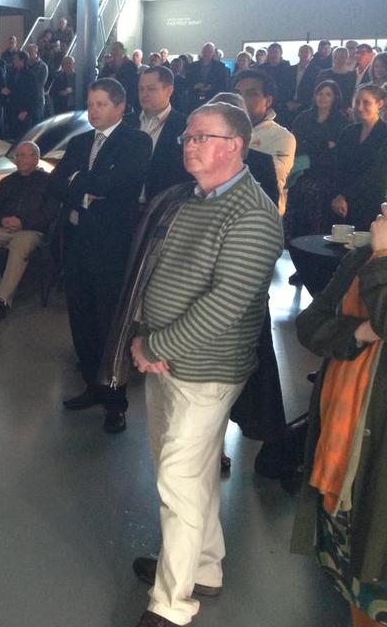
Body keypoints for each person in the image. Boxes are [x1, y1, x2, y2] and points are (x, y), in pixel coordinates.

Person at [110, 101, 282, 627]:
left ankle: (171, 605)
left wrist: (155, 345)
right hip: (167, 361)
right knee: (191, 473)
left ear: (235, 147)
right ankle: (204, 568)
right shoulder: (193, 197)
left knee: (178, 483)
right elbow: (156, 269)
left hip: (204, 368)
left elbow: (224, 307)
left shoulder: (252, 214)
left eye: (201, 137)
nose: (188, 144)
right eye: (187, 136)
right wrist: (144, 335)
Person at [293, 205, 387, 627]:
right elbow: (310, 324)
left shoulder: (376, 258)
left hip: (377, 466)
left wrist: (383, 259)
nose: (383, 208)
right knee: (352, 581)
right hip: (342, 449)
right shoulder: (358, 258)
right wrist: (358, 333)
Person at [51, 78, 151, 434]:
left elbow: (116, 184)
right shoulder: (79, 141)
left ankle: (115, 400)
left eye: (101, 105)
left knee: (111, 321)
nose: (93, 111)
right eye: (91, 104)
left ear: (121, 108)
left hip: (111, 246)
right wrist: (87, 185)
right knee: (81, 316)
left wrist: (79, 181)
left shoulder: (136, 142)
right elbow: (55, 184)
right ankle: (91, 385)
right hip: (77, 240)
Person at [0, 141, 56, 318]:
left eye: (25, 155)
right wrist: (2, 219)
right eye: (18, 155)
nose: (20, 159)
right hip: (4, 227)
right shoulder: (7, 182)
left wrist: (23, 222)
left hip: (32, 230)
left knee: (19, 246)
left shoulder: (48, 182)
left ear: (36, 158)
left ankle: (3, 301)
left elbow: (50, 213)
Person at [285, 81, 350, 238]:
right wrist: (323, 144)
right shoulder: (303, 117)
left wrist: (313, 145)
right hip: (301, 170)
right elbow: (297, 144)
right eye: (320, 93)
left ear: (335, 97)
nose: (323, 97)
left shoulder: (341, 121)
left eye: (328, 94)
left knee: (314, 194)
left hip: (327, 172)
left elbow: (337, 152)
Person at [233, 69, 296, 216]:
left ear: (268, 101)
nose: (241, 99)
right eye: (237, 94)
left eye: (250, 94)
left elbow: (268, 175)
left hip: (261, 215)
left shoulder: (282, 137)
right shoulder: (220, 129)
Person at [331, 85, 387, 232]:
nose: (360, 107)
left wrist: (345, 195)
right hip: (342, 202)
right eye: (357, 102)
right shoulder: (348, 132)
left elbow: (377, 173)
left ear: (380, 104)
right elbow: (337, 166)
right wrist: (338, 195)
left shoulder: (385, 134)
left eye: (366, 102)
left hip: (372, 201)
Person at [139, 65, 191, 201]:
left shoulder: (185, 126)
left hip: (163, 207)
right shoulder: (126, 122)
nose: (144, 94)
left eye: (151, 89)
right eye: (141, 89)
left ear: (169, 91)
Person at [256, 42, 297, 123]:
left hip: (284, 105)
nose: (273, 55)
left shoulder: (289, 69)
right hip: (265, 103)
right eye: (271, 52)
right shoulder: (261, 69)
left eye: (276, 52)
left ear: (281, 53)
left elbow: (292, 86)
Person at [185, 43, 231, 109]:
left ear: (213, 53)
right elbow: (186, 83)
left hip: (212, 100)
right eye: (205, 51)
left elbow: (224, 85)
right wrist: (194, 86)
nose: (206, 54)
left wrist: (211, 87)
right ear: (202, 52)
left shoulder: (220, 67)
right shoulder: (192, 66)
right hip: (194, 101)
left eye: (209, 51)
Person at [103, 41, 141, 116]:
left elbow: (133, 83)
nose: (114, 51)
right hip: (109, 99)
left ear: (122, 51)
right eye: (113, 49)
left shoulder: (130, 65)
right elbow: (101, 79)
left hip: (125, 99)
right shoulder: (108, 65)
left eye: (116, 49)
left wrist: (116, 78)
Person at [318, 47, 358, 113]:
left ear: (347, 58)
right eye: (336, 57)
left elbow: (353, 95)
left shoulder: (353, 76)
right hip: (325, 109)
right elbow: (317, 93)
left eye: (342, 57)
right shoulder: (323, 74)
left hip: (346, 111)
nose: (338, 59)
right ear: (333, 58)